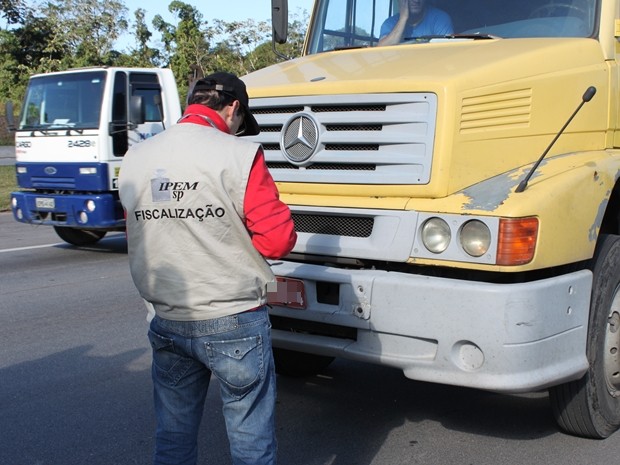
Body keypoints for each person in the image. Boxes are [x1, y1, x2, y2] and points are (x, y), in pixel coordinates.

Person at [119, 72, 297, 465]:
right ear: (233, 108)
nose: (236, 129)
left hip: (167, 317)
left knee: (173, 436)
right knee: (251, 440)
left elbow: (140, 235)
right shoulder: (239, 154)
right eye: (239, 120)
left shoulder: (136, 158)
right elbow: (278, 240)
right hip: (233, 318)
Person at [378, 0, 453, 46]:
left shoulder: (439, 18)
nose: (416, 0)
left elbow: (447, 52)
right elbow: (381, 51)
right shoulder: (390, 23)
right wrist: (403, 18)